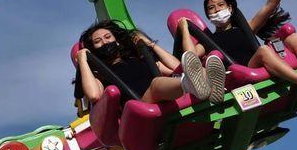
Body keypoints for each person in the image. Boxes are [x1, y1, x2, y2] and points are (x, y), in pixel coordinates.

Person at [76, 20, 225, 104]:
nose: (104, 42)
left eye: (108, 37)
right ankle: (193, 85)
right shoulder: (100, 76)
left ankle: (212, 90)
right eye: (98, 41)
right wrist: (83, 59)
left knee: (200, 70)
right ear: (93, 49)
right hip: (139, 107)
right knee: (156, 85)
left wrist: (150, 44)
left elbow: (177, 67)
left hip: (167, 98)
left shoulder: (139, 59)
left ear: (118, 41)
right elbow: (94, 95)